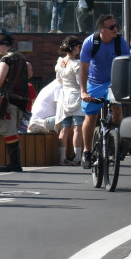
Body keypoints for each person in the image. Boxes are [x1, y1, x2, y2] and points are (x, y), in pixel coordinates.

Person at [80, 14, 131, 170]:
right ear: (101, 30)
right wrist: (83, 91)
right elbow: (83, 69)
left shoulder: (120, 43)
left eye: (116, 26)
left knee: (117, 109)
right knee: (90, 117)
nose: (116, 29)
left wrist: (128, 88)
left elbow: (127, 66)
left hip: (113, 83)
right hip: (94, 83)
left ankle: (119, 144)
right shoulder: (90, 42)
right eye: (112, 27)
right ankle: (87, 151)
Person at [0, 30, 32, 172]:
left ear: (3, 45)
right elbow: (28, 75)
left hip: (8, 100)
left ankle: (15, 164)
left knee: (9, 131)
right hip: (22, 100)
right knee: (13, 131)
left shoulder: (6, 59)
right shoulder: (22, 58)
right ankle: (15, 163)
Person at [54, 36, 84, 165]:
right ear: (74, 47)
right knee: (78, 127)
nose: (79, 49)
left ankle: (62, 158)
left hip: (64, 95)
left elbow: (59, 80)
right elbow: (80, 82)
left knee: (64, 128)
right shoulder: (76, 64)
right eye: (78, 46)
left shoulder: (59, 62)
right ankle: (77, 158)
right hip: (76, 95)